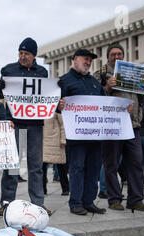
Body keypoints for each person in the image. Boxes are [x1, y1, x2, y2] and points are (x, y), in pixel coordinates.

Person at [0, 37, 57, 216]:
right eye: (20, 53)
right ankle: (6, 203)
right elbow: (0, 93)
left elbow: (45, 96)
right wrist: (2, 85)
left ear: (34, 55)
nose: (23, 57)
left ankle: (38, 203)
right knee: (12, 165)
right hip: (14, 123)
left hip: (35, 124)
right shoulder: (9, 70)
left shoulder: (42, 72)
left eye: (26, 54)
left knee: (35, 166)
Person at [94, 43, 144, 212]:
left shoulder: (133, 73)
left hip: (133, 125)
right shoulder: (101, 74)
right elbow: (96, 99)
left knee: (136, 163)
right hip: (112, 126)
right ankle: (114, 199)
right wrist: (108, 87)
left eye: (120, 54)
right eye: (113, 54)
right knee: (111, 164)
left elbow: (141, 101)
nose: (117, 57)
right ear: (108, 56)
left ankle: (136, 200)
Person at [58, 49, 111, 215]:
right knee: (77, 168)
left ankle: (88, 202)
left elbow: (105, 103)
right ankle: (75, 203)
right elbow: (54, 105)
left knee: (94, 169)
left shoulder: (94, 82)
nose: (88, 62)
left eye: (90, 60)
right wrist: (58, 106)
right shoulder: (64, 81)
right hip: (77, 135)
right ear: (75, 60)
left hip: (95, 135)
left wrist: (123, 107)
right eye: (85, 59)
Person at [42, 113, 69, 196]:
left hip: (56, 141)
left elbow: (62, 125)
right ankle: (43, 189)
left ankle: (65, 188)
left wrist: (63, 140)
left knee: (61, 166)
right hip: (43, 140)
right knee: (42, 167)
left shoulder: (56, 107)